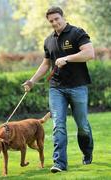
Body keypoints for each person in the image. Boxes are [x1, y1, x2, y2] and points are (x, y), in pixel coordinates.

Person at [23, 6, 94, 173]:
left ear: (63, 17)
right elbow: (46, 63)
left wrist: (67, 58)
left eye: (56, 19)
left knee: (82, 125)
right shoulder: (48, 40)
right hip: (56, 88)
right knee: (58, 125)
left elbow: (89, 54)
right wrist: (32, 81)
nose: (54, 22)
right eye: (51, 21)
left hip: (78, 86)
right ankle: (59, 163)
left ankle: (87, 152)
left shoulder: (77, 33)